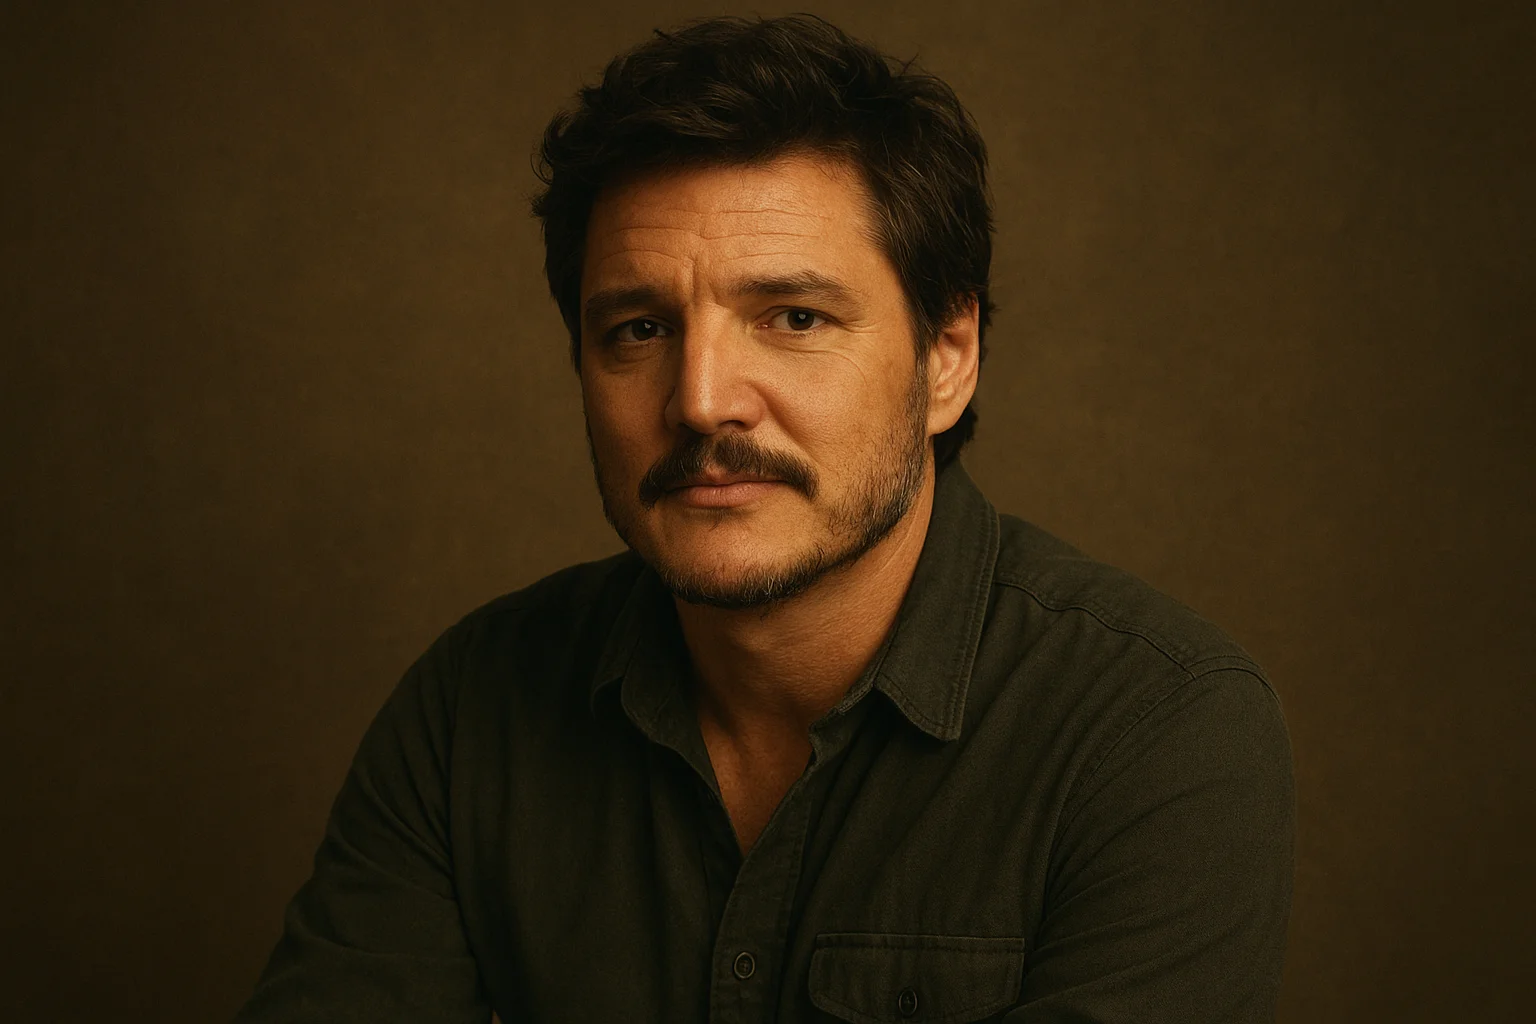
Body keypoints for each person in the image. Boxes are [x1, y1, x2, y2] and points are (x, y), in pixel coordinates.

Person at [235, 14, 1293, 1023]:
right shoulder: (470, 712)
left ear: (948, 357)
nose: (699, 399)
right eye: (639, 327)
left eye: (793, 317)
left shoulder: (1155, 729)